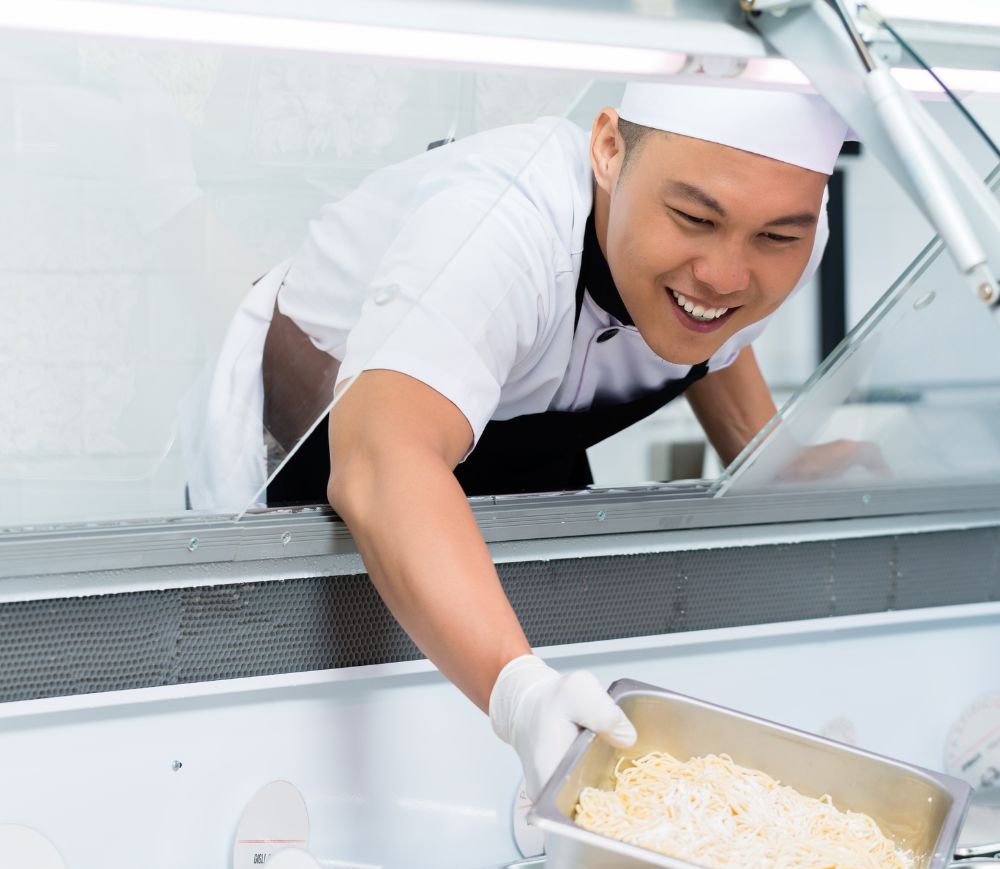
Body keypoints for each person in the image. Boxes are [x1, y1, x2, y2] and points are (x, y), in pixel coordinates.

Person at [187, 81, 853, 800]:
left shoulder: (780, 251)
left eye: (778, 235)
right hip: (320, 467)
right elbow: (383, 462)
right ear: (607, 150)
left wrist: (766, 455)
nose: (727, 274)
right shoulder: (500, 224)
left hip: (518, 456)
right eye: (693, 218)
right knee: (329, 771)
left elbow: (713, 329)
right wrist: (520, 694)